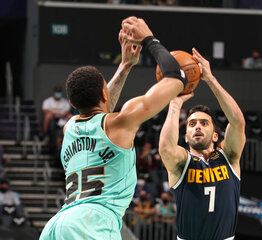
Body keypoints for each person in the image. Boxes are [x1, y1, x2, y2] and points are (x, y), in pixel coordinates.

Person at [40, 16, 188, 240]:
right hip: (92, 222)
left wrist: (125, 65)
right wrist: (149, 39)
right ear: (103, 94)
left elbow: (101, 104)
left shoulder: (69, 128)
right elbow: (177, 79)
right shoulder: (121, 122)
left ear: (72, 104)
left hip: (57, 225)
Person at [159, 48, 245, 240]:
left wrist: (211, 80)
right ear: (186, 136)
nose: (197, 126)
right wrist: (174, 104)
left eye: (204, 123)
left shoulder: (228, 156)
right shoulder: (182, 163)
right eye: (192, 124)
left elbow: (238, 122)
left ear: (215, 136)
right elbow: (165, 148)